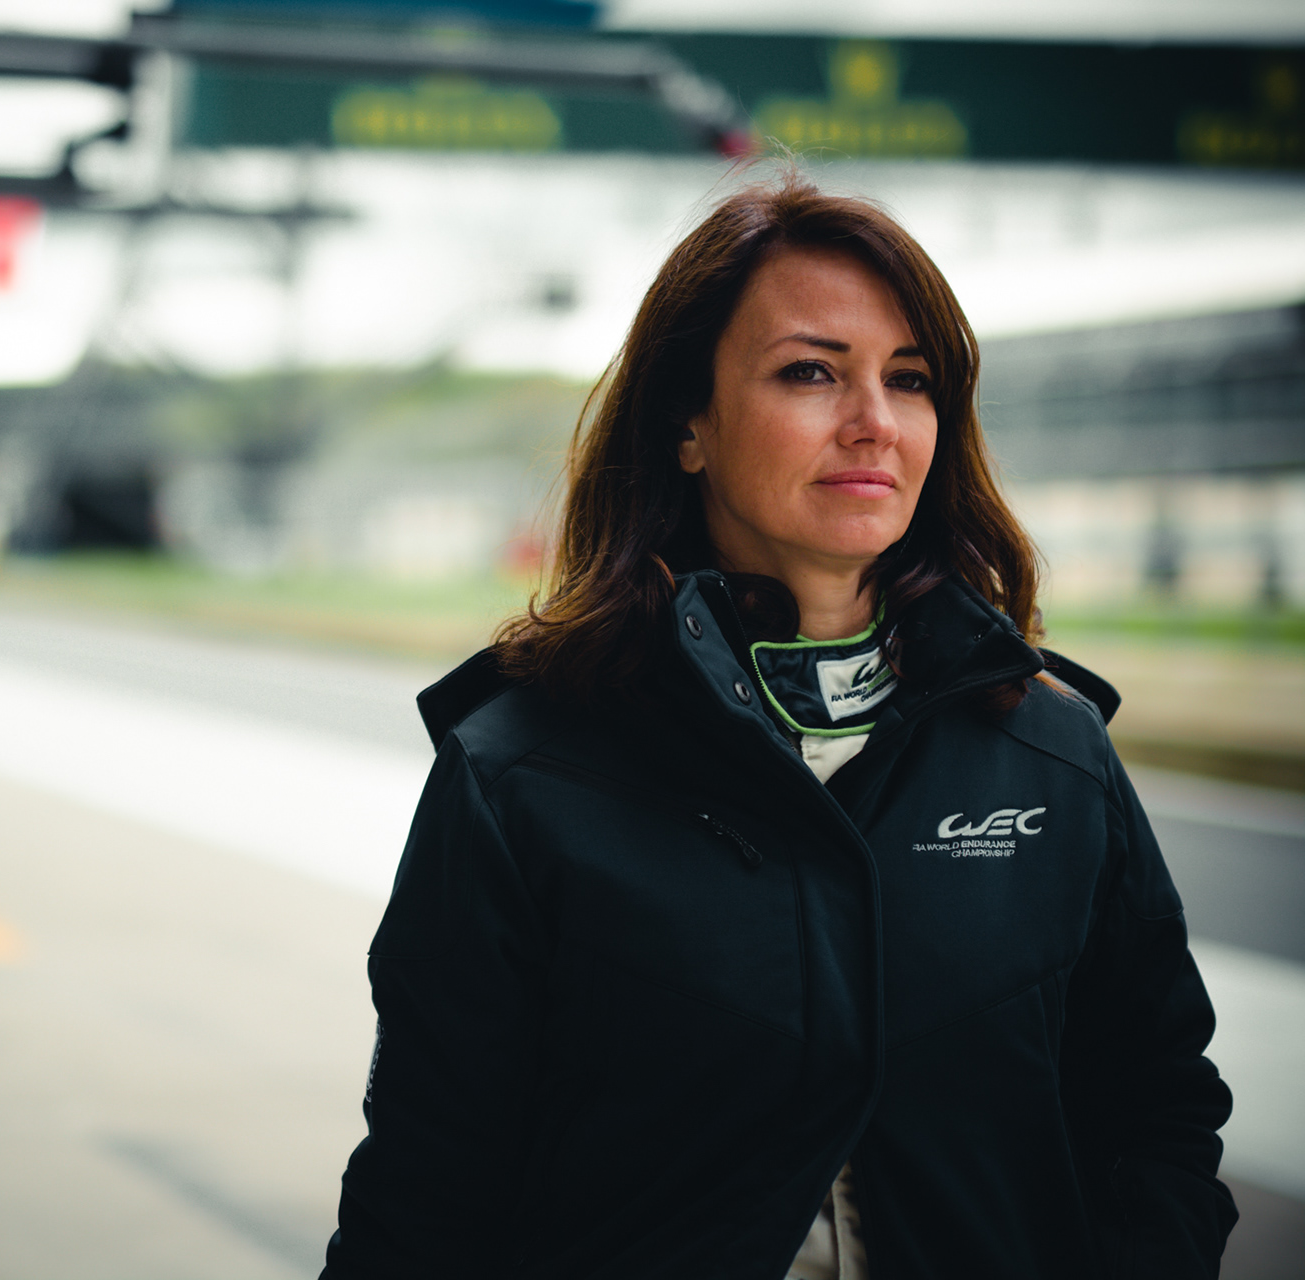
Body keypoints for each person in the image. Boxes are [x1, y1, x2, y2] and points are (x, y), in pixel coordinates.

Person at [319, 173, 1236, 1279]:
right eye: (811, 371)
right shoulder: (523, 770)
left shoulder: (1054, 750)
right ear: (688, 423)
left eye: (910, 379)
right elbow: (425, 1194)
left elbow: (1159, 1115)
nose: (874, 422)